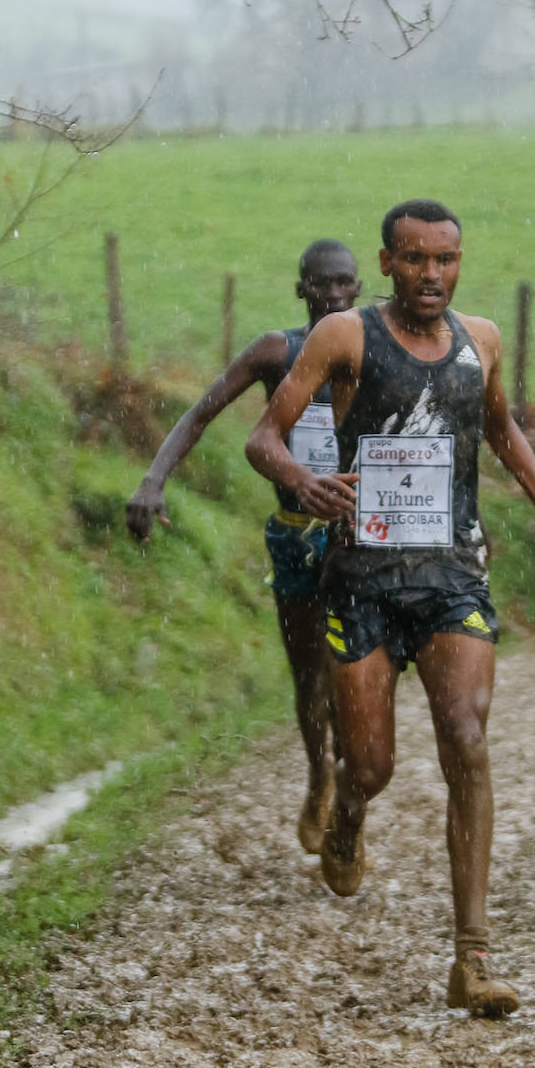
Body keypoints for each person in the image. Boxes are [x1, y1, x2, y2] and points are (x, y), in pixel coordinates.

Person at [246, 199, 535, 1018]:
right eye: (415, 259)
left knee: (468, 739)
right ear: (387, 264)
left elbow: (501, 428)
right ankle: (347, 813)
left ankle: (471, 959)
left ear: (459, 262)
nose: (432, 275)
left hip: (451, 576)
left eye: (445, 260)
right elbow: (263, 438)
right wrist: (303, 480)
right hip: (361, 581)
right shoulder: (344, 337)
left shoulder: (482, 340)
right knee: (371, 766)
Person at [126, 239, 362, 854]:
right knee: (309, 674)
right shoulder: (276, 352)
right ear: (302, 290)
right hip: (294, 534)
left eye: (345, 282)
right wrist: (153, 480)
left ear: (360, 288)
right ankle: (319, 773)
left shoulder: (377, 349)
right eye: (323, 283)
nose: (335, 295)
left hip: (361, 538)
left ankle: (348, 794)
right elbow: (199, 414)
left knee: (354, 673)